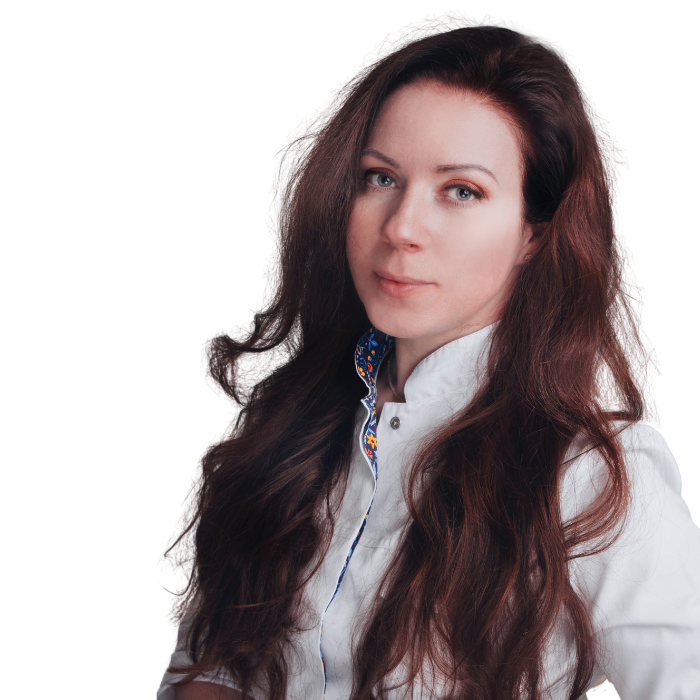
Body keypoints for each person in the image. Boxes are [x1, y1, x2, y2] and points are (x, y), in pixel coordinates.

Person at [157, 13, 700, 700]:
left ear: (533, 233)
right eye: (380, 178)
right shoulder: (289, 419)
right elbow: (211, 662)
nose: (402, 228)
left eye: (461, 190)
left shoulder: (594, 472)